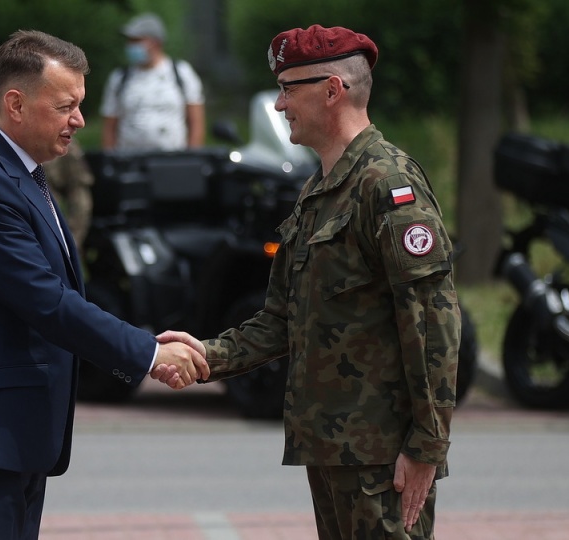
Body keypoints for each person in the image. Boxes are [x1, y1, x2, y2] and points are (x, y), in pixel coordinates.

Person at [157, 24, 461, 540]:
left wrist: (426, 447)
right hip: (331, 448)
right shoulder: (320, 189)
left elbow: (433, 322)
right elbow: (282, 317)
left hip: (381, 457)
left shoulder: (388, 185)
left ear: (331, 90)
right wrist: (207, 355)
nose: (279, 105)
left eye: (288, 89)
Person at [0, 30, 208, 540]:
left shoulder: (24, 174)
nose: (80, 121)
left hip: (13, 432)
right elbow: (46, 300)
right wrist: (147, 353)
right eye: (66, 105)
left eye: (81, 105)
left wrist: (143, 345)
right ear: (16, 104)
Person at [100, 12, 205, 151]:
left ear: (155, 42)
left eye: (136, 40)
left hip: (172, 159)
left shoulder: (181, 72)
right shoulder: (120, 77)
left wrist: (191, 160)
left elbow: (196, 122)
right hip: (129, 161)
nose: (130, 45)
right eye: (130, 41)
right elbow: (109, 126)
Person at [43, 136, 93, 251]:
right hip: (34, 142)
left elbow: (80, 190)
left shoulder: (69, 146)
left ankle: (69, 250)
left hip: (61, 141)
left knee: (81, 200)